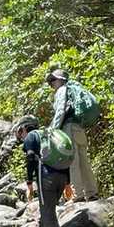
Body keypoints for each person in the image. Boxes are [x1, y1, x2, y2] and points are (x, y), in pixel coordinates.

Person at [16, 115, 70, 227]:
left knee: (47, 213)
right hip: (62, 176)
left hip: (46, 176)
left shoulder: (31, 136)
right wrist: (68, 183)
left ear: (24, 128)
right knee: (49, 210)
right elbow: (63, 156)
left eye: (20, 131)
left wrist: (29, 183)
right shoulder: (48, 135)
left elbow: (30, 157)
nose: (20, 135)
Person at [48, 67, 98, 202]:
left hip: (69, 129)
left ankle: (77, 195)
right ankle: (92, 193)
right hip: (79, 128)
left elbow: (60, 111)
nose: (51, 83)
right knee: (84, 162)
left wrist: (53, 130)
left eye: (53, 80)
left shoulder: (62, 90)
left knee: (72, 162)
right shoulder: (73, 90)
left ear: (61, 80)